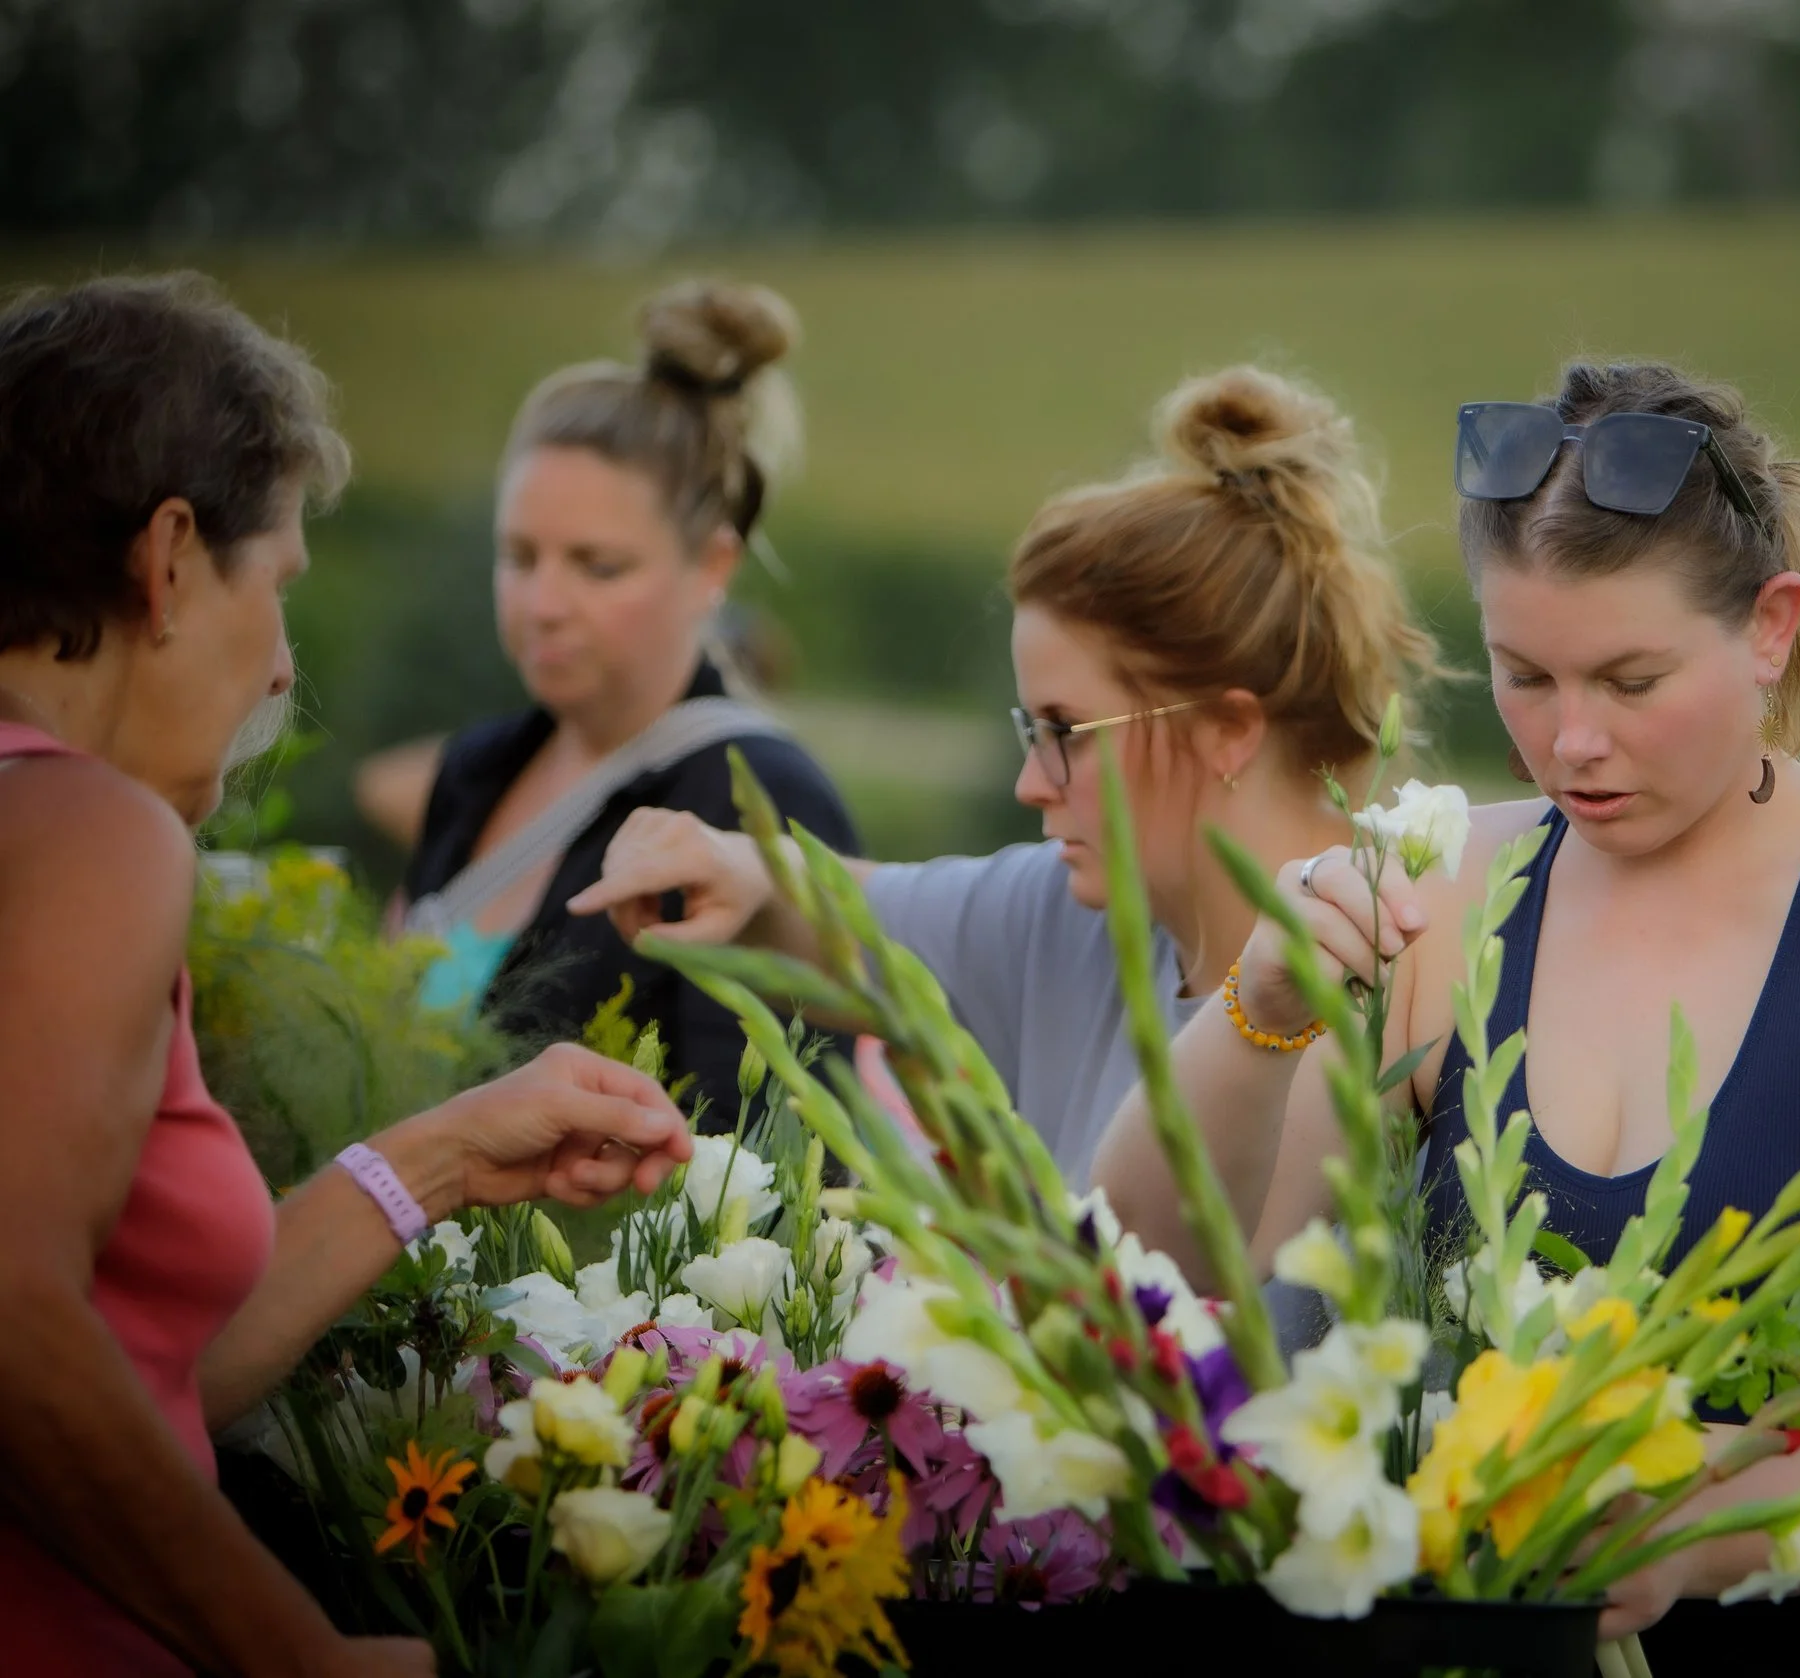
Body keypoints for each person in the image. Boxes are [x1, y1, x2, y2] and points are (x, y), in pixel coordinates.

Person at [1093, 362, 1800, 1671]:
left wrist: (1696, 1535)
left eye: (1630, 681)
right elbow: (1188, 1299)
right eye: (1525, 676)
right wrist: (1262, 1007)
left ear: (1771, 624)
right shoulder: (1444, 894)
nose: (1570, 740)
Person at [0, 273, 694, 1677]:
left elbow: (143, 1376)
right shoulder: (82, 834)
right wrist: (296, 1655)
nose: (279, 673)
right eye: (282, 586)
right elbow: (17, 1318)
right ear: (172, 560)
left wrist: (433, 1159)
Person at [570, 365, 1442, 1182]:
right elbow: (839, 911)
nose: (1031, 783)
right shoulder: (1065, 923)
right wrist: (720, 863)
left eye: (1066, 729)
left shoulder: (1406, 972)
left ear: (1228, 729)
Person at [363, 280, 859, 1123]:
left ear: (712, 567)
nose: (543, 602)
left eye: (597, 566)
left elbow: (757, 1192)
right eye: (519, 557)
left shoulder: (755, 799)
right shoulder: (475, 767)